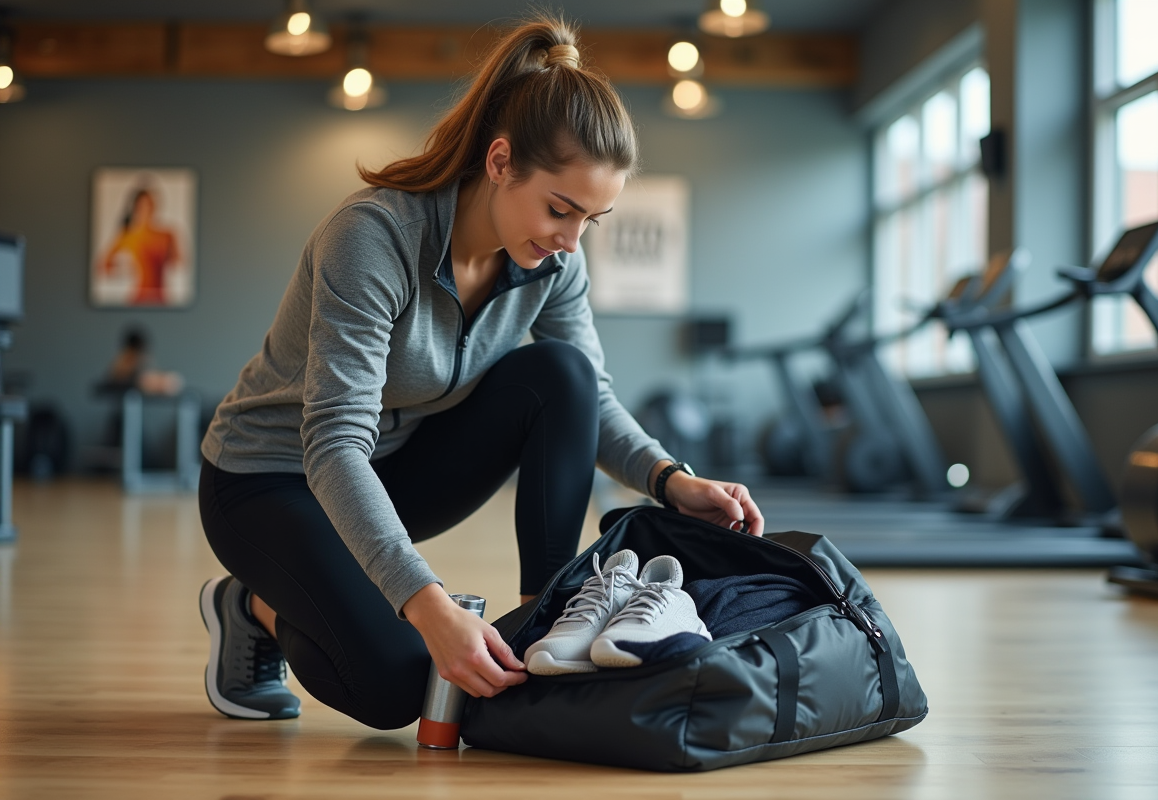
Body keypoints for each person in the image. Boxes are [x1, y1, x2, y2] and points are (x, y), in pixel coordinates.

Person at [196, 14, 765, 729]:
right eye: (560, 209)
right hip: (269, 483)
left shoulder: (554, 263)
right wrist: (428, 605)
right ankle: (249, 603)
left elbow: (590, 393)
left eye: (593, 219)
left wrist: (670, 480)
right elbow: (335, 444)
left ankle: (547, 624)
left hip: (392, 472)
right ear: (500, 163)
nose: (569, 240)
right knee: (402, 689)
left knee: (559, 375)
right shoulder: (373, 238)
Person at [97, 186, 181, 306]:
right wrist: (125, 270)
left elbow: (178, 262)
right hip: (139, 294)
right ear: (136, 207)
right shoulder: (129, 234)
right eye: (143, 205)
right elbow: (104, 265)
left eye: (150, 204)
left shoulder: (167, 234)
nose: (147, 208)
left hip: (162, 295)